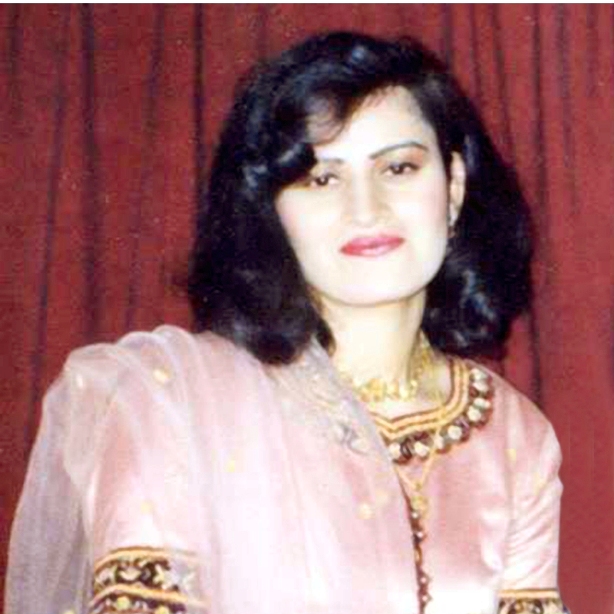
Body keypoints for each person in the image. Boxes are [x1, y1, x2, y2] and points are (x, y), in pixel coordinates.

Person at [5, 31, 569, 614]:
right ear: (270, 209)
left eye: (398, 168)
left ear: (452, 187)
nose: (366, 209)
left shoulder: (512, 434)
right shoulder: (169, 402)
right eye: (321, 179)